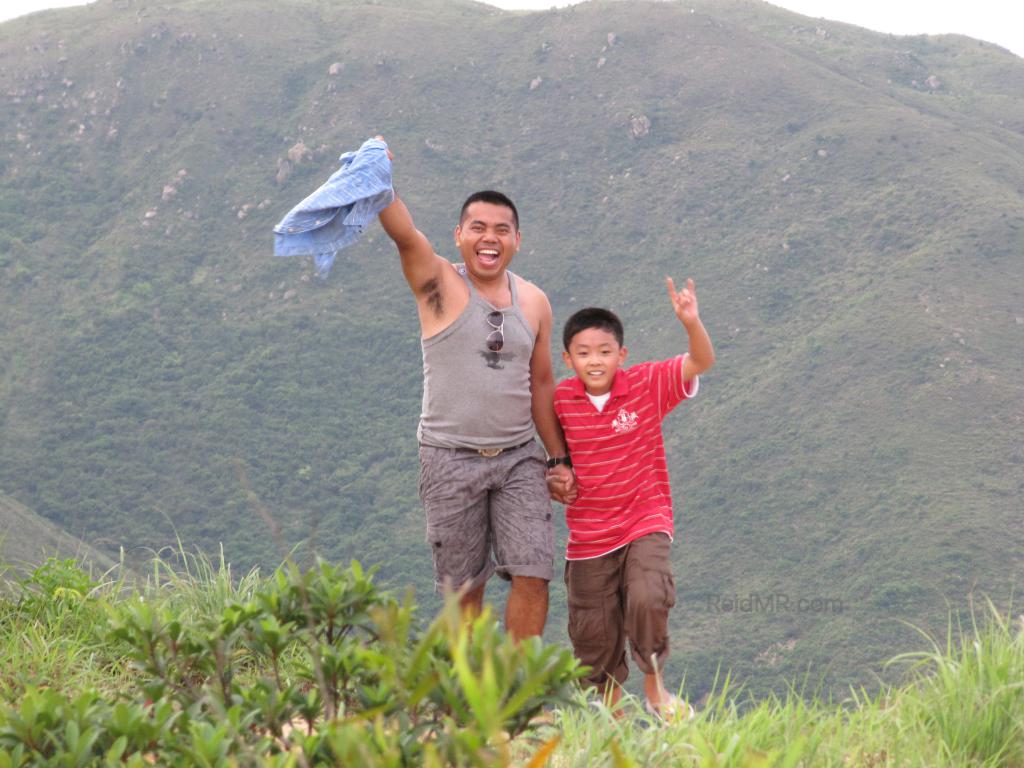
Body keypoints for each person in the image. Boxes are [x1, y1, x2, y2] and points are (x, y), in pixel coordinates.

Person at [377, 146, 573, 641]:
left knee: (534, 571)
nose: (490, 238)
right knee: (464, 588)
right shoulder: (437, 283)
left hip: (518, 457)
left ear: (517, 241)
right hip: (449, 457)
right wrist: (379, 177)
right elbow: (403, 233)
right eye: (479, 228)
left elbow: (542, 382)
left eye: (501, 230)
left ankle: (518, 691)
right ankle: (472, 697)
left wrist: (557, 459)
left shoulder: (534, 301)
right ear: (459, 236)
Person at [548, 277, 714, 716]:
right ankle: (611, 721)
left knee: (648, 596)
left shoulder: (646, 384)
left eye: (605, 352)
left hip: (645, 520)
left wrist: (691, 322)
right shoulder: (559, 401)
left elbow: (702, 360)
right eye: (583, 353)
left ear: (622, 355)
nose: (594, 361)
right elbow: (547, 454)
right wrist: (553, 473)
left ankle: (656, 691)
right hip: (587, 538)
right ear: (567, 359)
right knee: (592, 636)